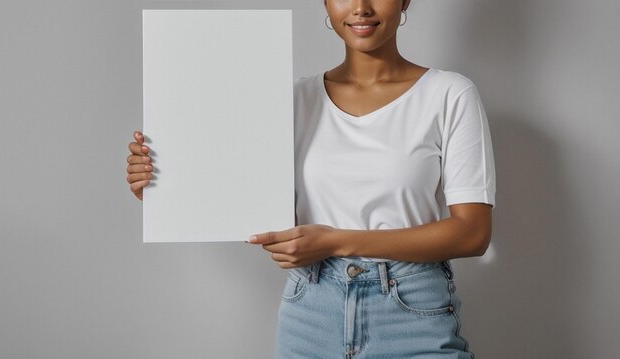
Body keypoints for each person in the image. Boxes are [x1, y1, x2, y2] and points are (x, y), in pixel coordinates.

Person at [126, 0, 495, 357]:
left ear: (405, 1)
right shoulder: (292, 99)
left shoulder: (449, 94)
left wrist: (336, 241)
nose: (360, 7)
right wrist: (164, 187)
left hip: (410, 310)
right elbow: (250, 206)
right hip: (311, 311)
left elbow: (472, 233)